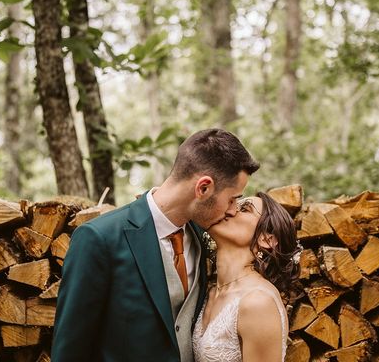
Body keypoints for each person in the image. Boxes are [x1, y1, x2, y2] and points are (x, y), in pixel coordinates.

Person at [51, 128, 260, 362]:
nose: (232, 210)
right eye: (232, 199)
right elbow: (69, 351)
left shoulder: (202, 235)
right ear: (203, 188)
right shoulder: (99, 239)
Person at [192, 192, 301, 362]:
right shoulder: (210, 292)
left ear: (266, 239)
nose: (229, 209)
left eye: (244, 208)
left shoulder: (258, 302)